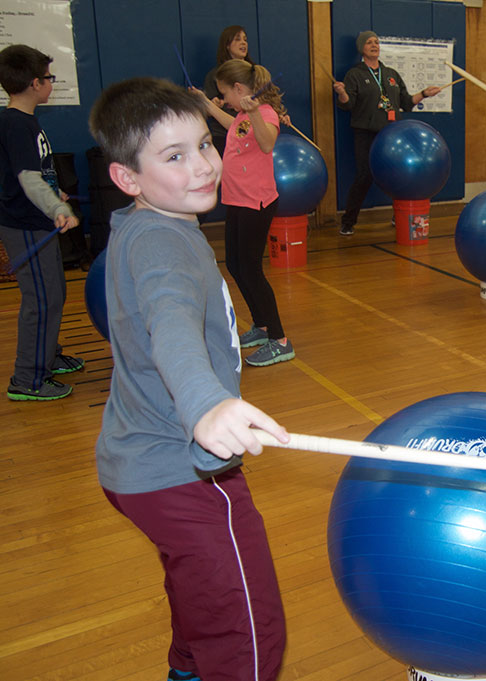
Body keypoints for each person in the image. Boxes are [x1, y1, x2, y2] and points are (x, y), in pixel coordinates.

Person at [89, 76, 290, 681]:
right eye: (174, 157)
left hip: (134, 462)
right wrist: (206, 405)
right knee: (248, 629)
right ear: (128, 177)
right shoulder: (161, 246)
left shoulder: (149, 224)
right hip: (182, 471)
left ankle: (188, 670)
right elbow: (170, 319)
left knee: (203, 589)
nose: (204, 166)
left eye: (204, 145)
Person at [194, 59, 295, 366]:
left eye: (224, 93)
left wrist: (252, 111)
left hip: (256, 202)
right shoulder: (241, 114)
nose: (222, 99)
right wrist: (206, 104)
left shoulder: (263, 114)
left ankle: (280, 340)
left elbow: (266, 144)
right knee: (236, 265)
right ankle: (262, 326)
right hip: (237, 199)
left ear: (239, 88)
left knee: (251, 269)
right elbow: (232, 126)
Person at [0, 44, 83, 401]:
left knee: (54, 293)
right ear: (35, 83)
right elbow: (28, 180)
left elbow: (39, 174)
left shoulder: (25, 120)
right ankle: (28, 378)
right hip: (25, 223)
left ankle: (46, 356)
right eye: (49, 78)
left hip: (38, 219)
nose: (51, 83)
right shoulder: (16, 123)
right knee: (41, 300)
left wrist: (57, 195)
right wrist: (57, 209)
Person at [333, 30, 441, 236]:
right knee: (364, 176)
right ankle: (348, 221)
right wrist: (343, 93)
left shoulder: (391, 74)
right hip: (366, 133)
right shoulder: (354, 74)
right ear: (362, 49)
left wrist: (425, 94)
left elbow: (407, 103)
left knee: (399, 174)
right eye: (369, 43)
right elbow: (348, 105)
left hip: (392, 135)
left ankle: (398, 215)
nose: (374, 45)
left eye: (376, 42)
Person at [202, 25, 252, 156]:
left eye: (245, 40)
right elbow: (205, 111)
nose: (243, 43)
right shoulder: (215, 75)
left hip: (251, 134)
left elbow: (266, 102)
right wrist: (212, 105)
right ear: (227, 45)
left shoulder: (255, 72)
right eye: (237, 39)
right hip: (223, 135)